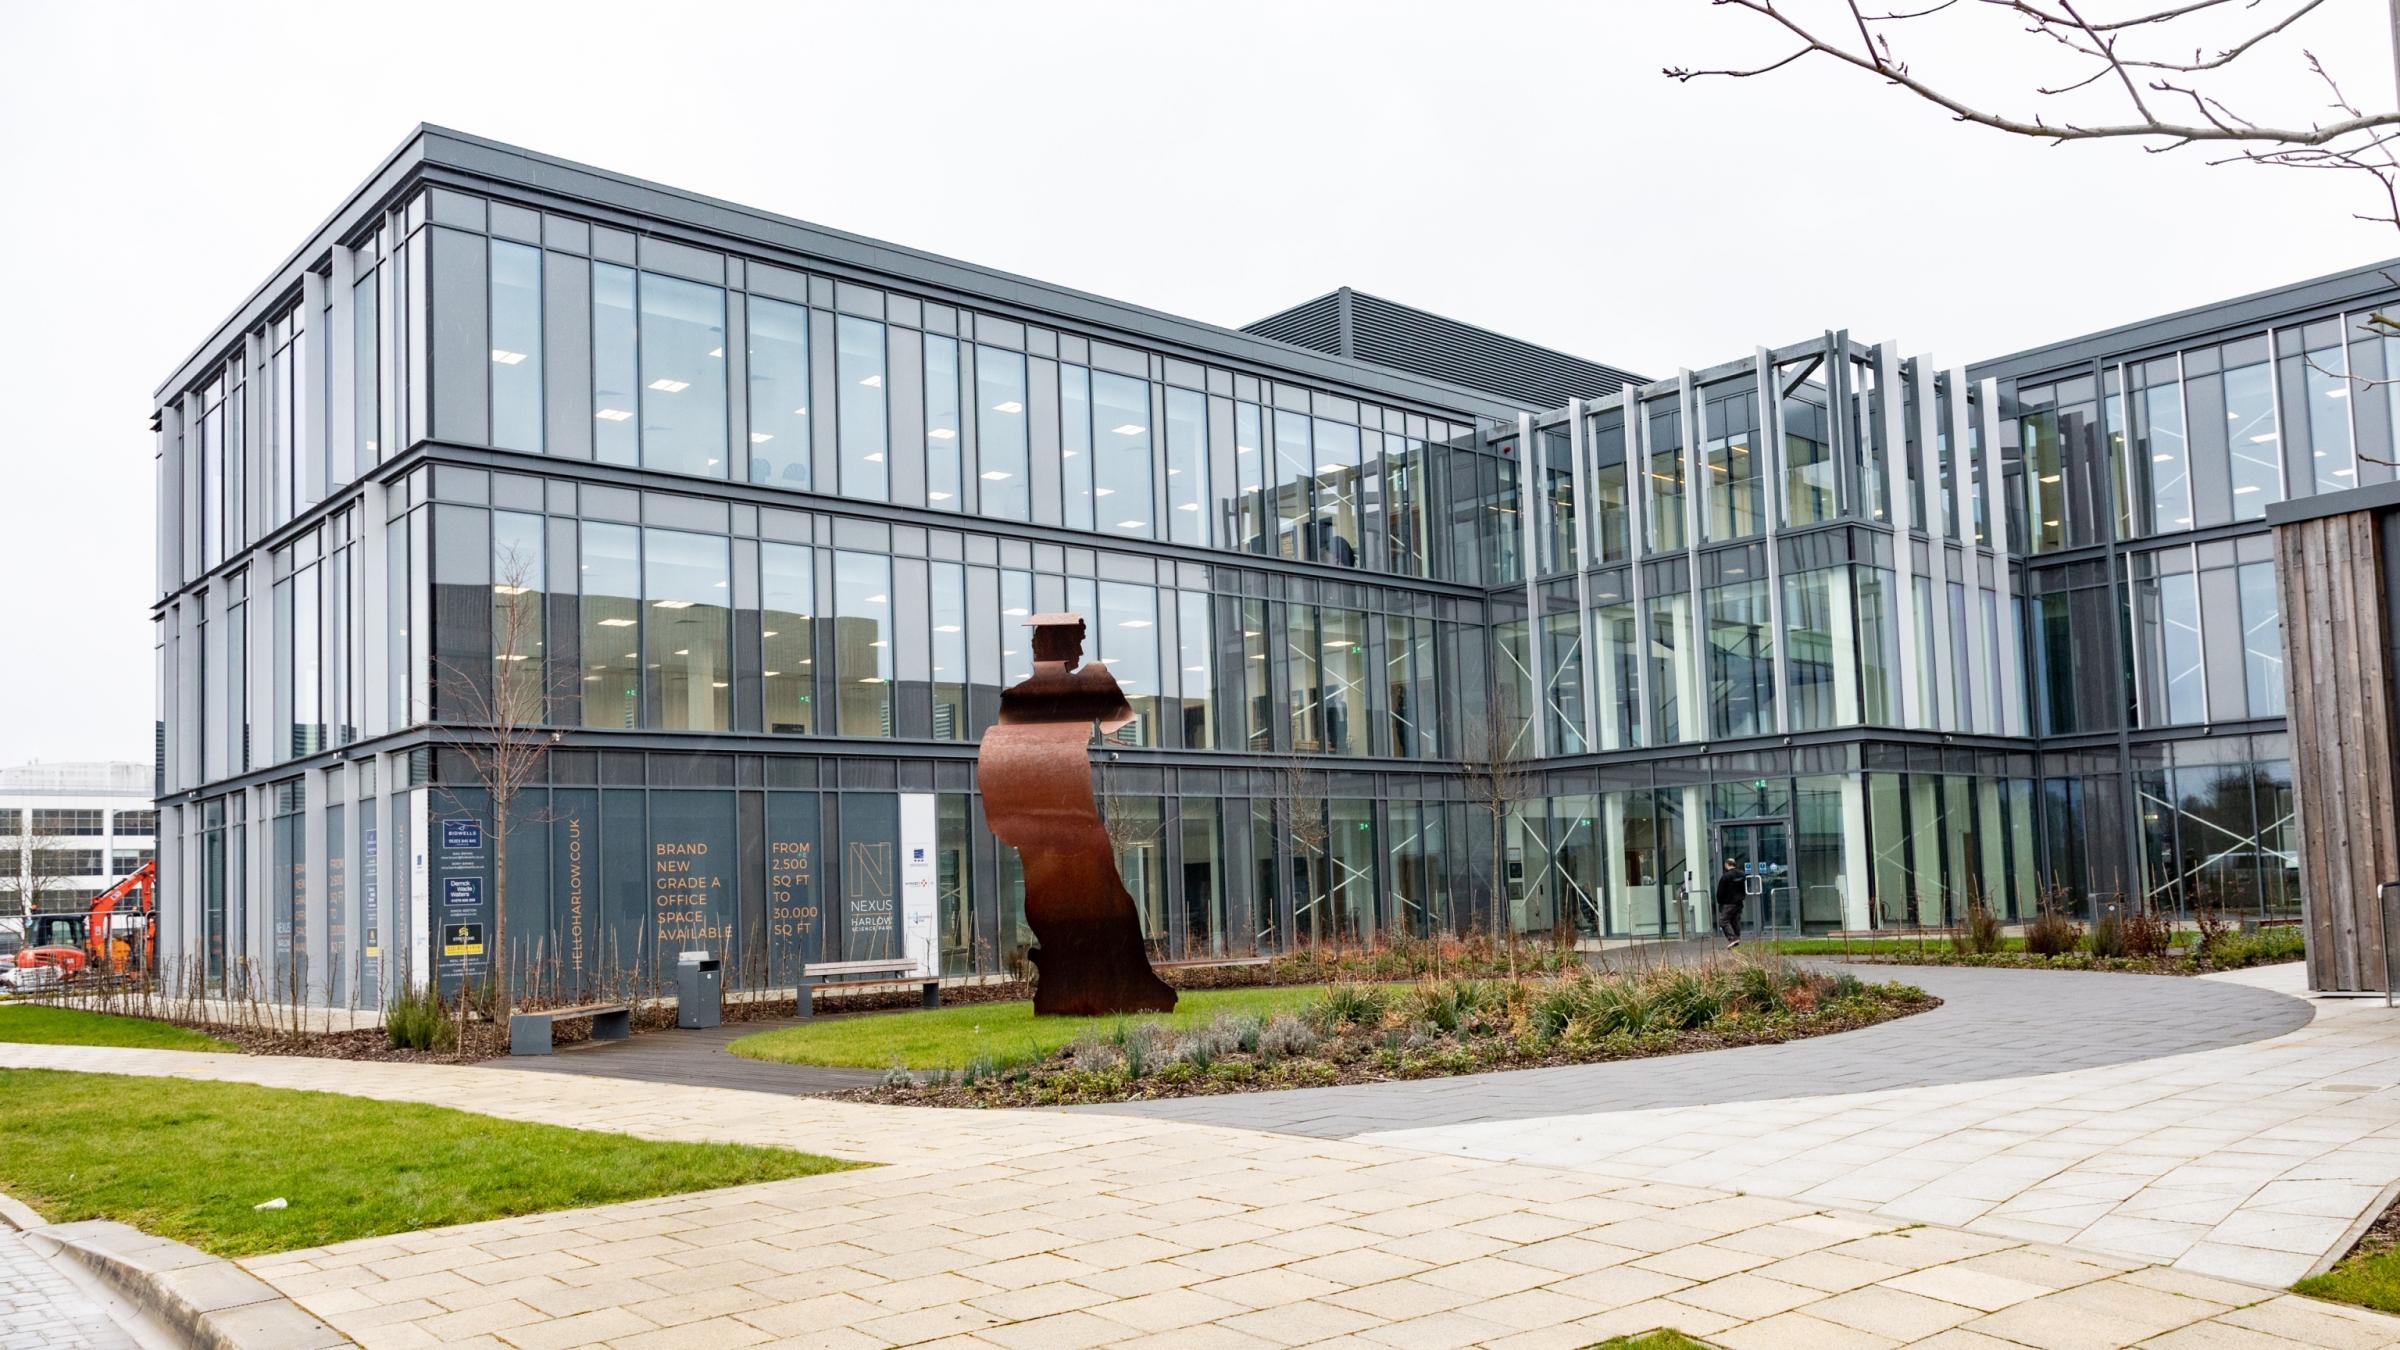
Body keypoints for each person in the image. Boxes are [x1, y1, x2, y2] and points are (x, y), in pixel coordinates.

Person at [1713, 858, 1746, 948]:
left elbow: (1720, 891)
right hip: (1739, 902)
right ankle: (1737, 938)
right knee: (1735, 920)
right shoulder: (1742, 874)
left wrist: (1720, 901)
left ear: (1727, 864)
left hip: (1728, 902)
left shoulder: (1726, 876)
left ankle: (1732, 939)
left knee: (1723, 921)